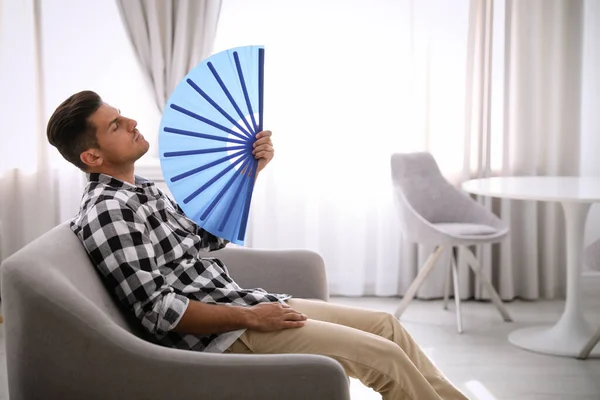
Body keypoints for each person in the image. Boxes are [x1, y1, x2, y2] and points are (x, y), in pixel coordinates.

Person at [47, 90, 469, 400]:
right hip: (225, 336)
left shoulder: (141, 191)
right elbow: (159, 312)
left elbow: (203, 237)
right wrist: (251, 318)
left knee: (386, 326)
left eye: (122, 115)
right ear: (92, 157)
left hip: (242, 304)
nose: (133, 122)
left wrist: (250, 171)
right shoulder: (108, 211)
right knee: (384, 356)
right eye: (116, 126)